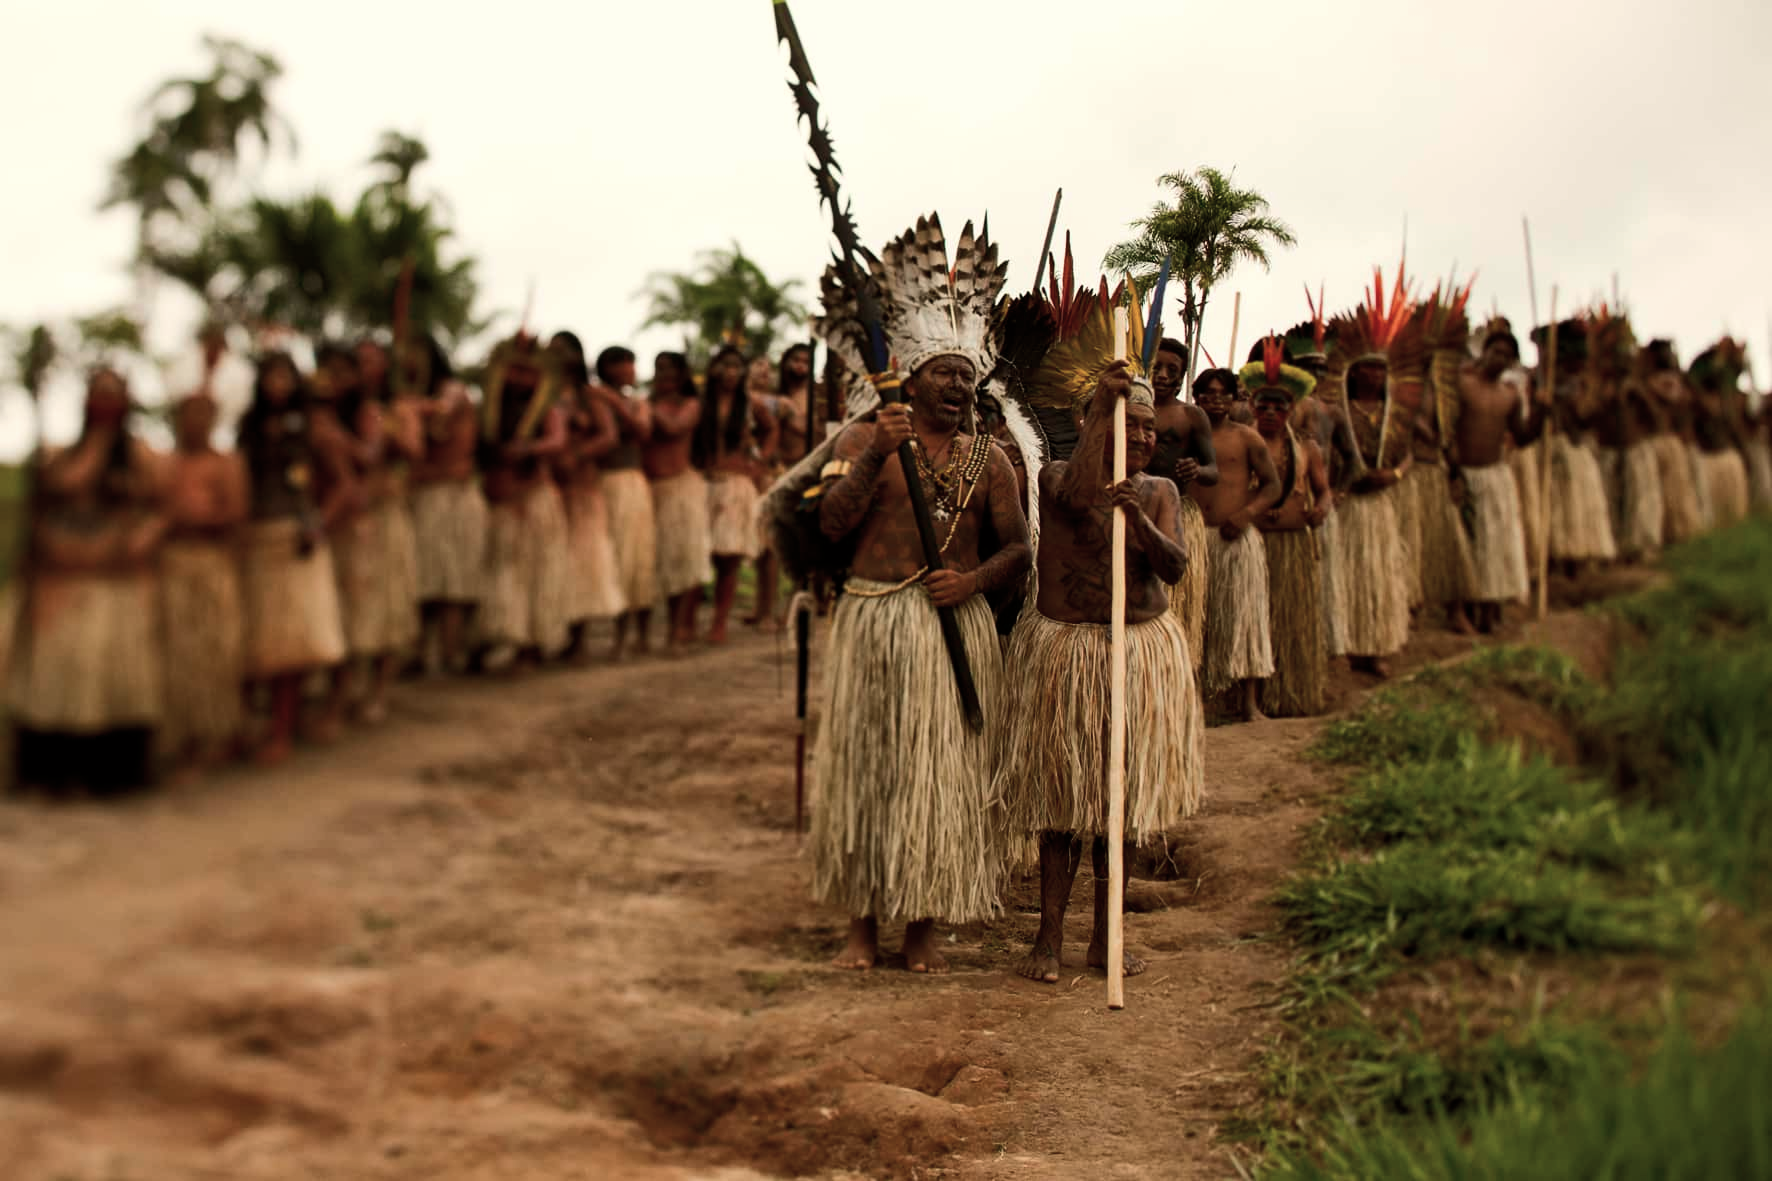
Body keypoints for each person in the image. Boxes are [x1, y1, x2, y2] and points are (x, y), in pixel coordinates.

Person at [811, 214, 1030, 974]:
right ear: (910, 375)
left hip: (950, 627)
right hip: (874, 618)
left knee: (940, 784)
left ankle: (924, 930)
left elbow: (1018, 549)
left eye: (968, 376)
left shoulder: (992, 460)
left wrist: (970, 580)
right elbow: (832, 525)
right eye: (947, 372)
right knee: (867, 776)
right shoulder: (858, 441)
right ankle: (861, 930)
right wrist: (877, 446)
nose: (960, 385)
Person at [999, 360, 1198, 983]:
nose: (1142, 438)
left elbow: (1173, 569)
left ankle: (1106, 939)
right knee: (1061, 805)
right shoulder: (1059, 474)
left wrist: (1136, 517)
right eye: (1127, 426)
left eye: (1148, 429)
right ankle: (1048, 940)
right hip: (1068, 654)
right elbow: (1074, 497)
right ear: (1094, 426)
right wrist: (1099, 417)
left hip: (1138, 654)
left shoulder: (1161, 491)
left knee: (1124, 803)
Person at [11, 368, 167, 794]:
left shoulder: (142, 456)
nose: (104, 405)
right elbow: (47, 501)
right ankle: (54, 770)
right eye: (98, 395)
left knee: (110, 671)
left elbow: (160, 510)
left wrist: (135, 542)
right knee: (59, 672)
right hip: (62, 578)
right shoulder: (62, 453)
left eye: (112, 396)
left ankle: (112, 772)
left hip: (117, 580)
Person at [236, 352, 352, 764]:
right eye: (269, 375)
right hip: (255, 539)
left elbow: (343, 484)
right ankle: (247, 728)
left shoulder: (313, 428)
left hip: (295, 541)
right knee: (254, 642)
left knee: (290, 644)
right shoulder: (248, 427)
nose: (277, 383)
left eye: (284, 375)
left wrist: (318, 524)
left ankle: (281, 731)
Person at [159, 389, 249, 775]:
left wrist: (193, 522)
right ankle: (177, 739)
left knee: (212, 653)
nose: (194, 422)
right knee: (176, 655)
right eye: (187, 413)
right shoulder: (165, 464)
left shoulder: (226, 463)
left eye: (202, 414)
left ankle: (213, 738)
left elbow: (236, 513)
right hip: (172, 567)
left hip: (210, 567)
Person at [1328, 290, 1417, 679]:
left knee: (1378, 575)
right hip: (1347, 502)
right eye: (1368, 369)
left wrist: (1393, 475)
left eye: (1380, 370)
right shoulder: (1338, 410)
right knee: (1347, 574)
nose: (1374, 375)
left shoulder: (1393, 413)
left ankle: (1377, 645)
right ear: (1353, 372)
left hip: (1379, 506)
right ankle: (1348, 647)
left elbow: (1409, 454)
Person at [1189, 367, 1281, 721]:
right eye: (1207, 393)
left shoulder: (1247, 438)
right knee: (1199, 620)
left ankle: (1249, 704)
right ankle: (1198, 701)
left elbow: (1272, 485)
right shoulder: (1185, 434)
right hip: (1196, 539)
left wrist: (1247, 514)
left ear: (1232, 398)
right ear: (1196, 396)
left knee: (1245, 618)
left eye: (1222, 393)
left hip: (1237, 538)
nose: (1214, 399)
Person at [478, 334, 573, 669]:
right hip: (501, 504)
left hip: (536, 500)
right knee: (504, 573)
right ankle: (505, 638)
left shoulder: (548, 405)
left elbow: (557, 439)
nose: (519, 379)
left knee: (538, 574)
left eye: (526, 373)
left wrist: (529, 449)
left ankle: (534, 642)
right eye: (513, 371)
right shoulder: (489, 410)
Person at [1248, 344, 1331, 717]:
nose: (1270, 413)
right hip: (1256, 548)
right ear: (1252, 407)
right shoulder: (1244, 443)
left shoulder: (1308, 448)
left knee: (1293, 623)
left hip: (1295, 547)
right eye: (1263, 406)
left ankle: (1293, 694)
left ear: (1290, 410)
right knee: (1258, 620)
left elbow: (1324, 489)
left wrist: (1323, 507)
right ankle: (1255, 697)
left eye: (1278, 408)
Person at [408, 335, 485, 675]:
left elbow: (440, 424)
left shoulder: (451, 391)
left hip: (451, 495)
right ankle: (422, 653)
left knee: (453, 579)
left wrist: (407, 408)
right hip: (425, 495)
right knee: (425, 580)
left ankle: (450, 653)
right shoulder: (416, 395)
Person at [1399, 302, 1478, 632]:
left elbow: (1450, 433)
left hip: (1437, 471)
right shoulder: (1400, 384)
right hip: (1410, 474)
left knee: (1451, 543)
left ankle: (1455, 610)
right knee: (1410, 545)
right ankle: (1409, 612)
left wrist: (1453, 464)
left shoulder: (1442, 389)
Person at [1453, 328, 1534, 631]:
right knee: (1468, 546)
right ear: (1484, 351)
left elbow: (1523, 436)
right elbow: (1448, 429)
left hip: (1495, 477)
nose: (1499, 359)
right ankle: (1463, 611)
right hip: (1465, 475)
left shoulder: (1509, 396)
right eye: (1495, 351)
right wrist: (1452, 470)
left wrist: (1540, 410)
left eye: (1506, 355)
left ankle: (1490, 610)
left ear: (1512, 362)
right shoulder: (1462, 385)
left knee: (1493, 547)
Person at [1286, 318, 1357, 663]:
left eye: (1320, 367)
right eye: (1307, 367)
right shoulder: (1284, 409)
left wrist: (1337, 493)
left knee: (1327, 579)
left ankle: (1327, 647)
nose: (1315, 373)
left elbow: (1352, 460)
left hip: (1322, 501)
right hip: (1290, 506)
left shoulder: (1333, 413)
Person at [552, 331, 625, 663]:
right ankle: (553, 634)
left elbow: (608, 436)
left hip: (582, 486)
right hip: (551, 488)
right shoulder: (544, 393)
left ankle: (578, 638)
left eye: (563, 351)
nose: (557, 356)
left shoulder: (587, 395)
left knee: (581, 562)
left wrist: (578, 454)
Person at [698, 345, 778, 645]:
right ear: (713, 369)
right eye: (724, 366)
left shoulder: (750, 404)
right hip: (703, 482)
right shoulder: (701, 402)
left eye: (735, 366)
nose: (730, 372)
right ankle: (689, 620)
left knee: (729, 557)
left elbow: (771, 430)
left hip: (735, 484)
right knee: (699, 554)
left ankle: (719, 621)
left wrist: (759, 462)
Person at [1147, 337, 1219, 664]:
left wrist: (1197, 469)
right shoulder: (1129, 409)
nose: (1162, 375)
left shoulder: (1192, 416)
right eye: (1155, 367)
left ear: (1181, 377)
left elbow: (1213, 469)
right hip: (1135, 512)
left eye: (1171, 370)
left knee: (1175, 600)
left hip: (1177, 515)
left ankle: (1177, 666)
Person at [590, 345, 658, 660]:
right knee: (611, 559)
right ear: (609, 368)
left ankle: (635, 637)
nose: (631, 369)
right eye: (624, 364)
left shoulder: (636, 403)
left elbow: (642, 430)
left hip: (630, 485)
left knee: (635, 559)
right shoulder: (593, 398)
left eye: (632, 362)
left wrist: (613, 401)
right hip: (601, 484)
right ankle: (609, 637)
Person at [1536, 320, 1619, 573]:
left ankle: (1576, 560)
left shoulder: (1581, 383)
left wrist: (1601, 403)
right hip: (1553, 448)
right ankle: (1555, 562)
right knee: (1555, 509)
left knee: (1577, 508)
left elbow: (1583, 419)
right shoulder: (1544, 379)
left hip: (1576, 451)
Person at [644, 351, 710, 651]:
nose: (664, 375)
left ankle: (676, 631)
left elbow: (673, 428)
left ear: (682, 374)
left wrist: (643, 406)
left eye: (670, 369)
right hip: (649, 490)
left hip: (680, 490)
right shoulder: (646, 404)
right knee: (647, 563)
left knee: (680, 562)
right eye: (659, 368)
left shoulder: (691, 404)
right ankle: (641, 636)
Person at [1588, 314, 1666, 561]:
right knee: (1610, 504)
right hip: (1607, 453)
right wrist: (1605, 398)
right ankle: (1610, 550)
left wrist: (1638, 395)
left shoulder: (1638, 385)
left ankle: (1638, 547)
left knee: (1638, 505)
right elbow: (1588, 416)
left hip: (1635, 453)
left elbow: (1656, 420)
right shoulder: (1596, 385)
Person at [1642, 339, 1705, 544]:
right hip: (1654, 444)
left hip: (1671, 444)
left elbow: (1679, 402)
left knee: (1677, 495)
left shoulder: (1671, 382)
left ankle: (1678, 532)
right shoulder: (1645, 383)